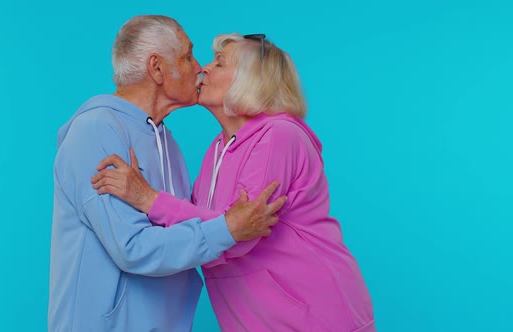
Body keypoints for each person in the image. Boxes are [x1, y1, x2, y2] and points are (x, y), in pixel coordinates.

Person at [91, 33, 376, 331]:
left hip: (315, 316)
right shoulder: (217, 149)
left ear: (251, 80)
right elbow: (211, 226)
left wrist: (148, 199)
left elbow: (241, 233)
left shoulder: (279, 136)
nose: (204, 69)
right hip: (254, 318)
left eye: (220, 63)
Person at [49, 17, 287, 332]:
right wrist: (228, 229)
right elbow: (132, 248)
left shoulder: (168, 143)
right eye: (188, 57)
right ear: (157, 68)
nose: (199, 67)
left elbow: (188, 223)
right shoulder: (97, 130)